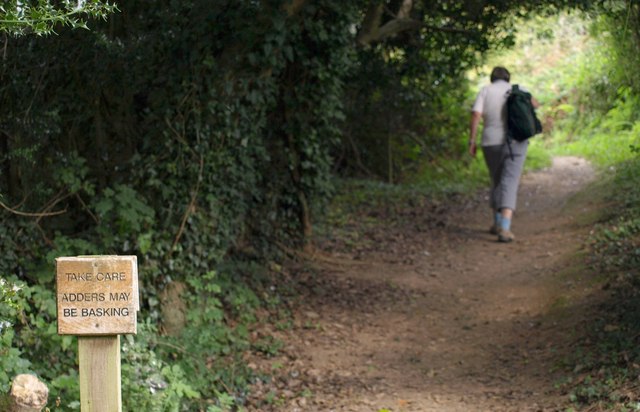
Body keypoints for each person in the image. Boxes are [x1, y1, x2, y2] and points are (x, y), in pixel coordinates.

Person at [469, 66, 539, 243]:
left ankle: (497, 222)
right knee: (510, 181)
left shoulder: (485, 90)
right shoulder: (518, 89)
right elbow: (535, 105)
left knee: (497, 179)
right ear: (508, 78)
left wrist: (472, 140)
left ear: (492, 78)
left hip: (490, 142)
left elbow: (476, 114)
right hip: (516, 142)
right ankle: (505, 229)